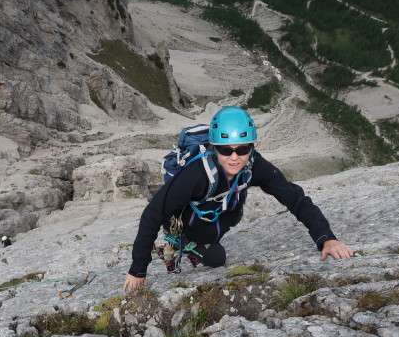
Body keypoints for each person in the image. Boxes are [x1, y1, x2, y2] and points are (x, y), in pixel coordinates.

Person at [123, 107, 353, 291]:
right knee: (216, 258)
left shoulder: (254, 165)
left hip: (220, 214)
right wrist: (138, 270)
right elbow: (153, 213)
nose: (234, 158)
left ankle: (198, 241)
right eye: (225, 150)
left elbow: (294, 197)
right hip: (193, 222)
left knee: (219, 237)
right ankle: (181, 242)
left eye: (242, 149)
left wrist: (325, 238)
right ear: (215, 148)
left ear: (251, 148)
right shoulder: (197, 174)